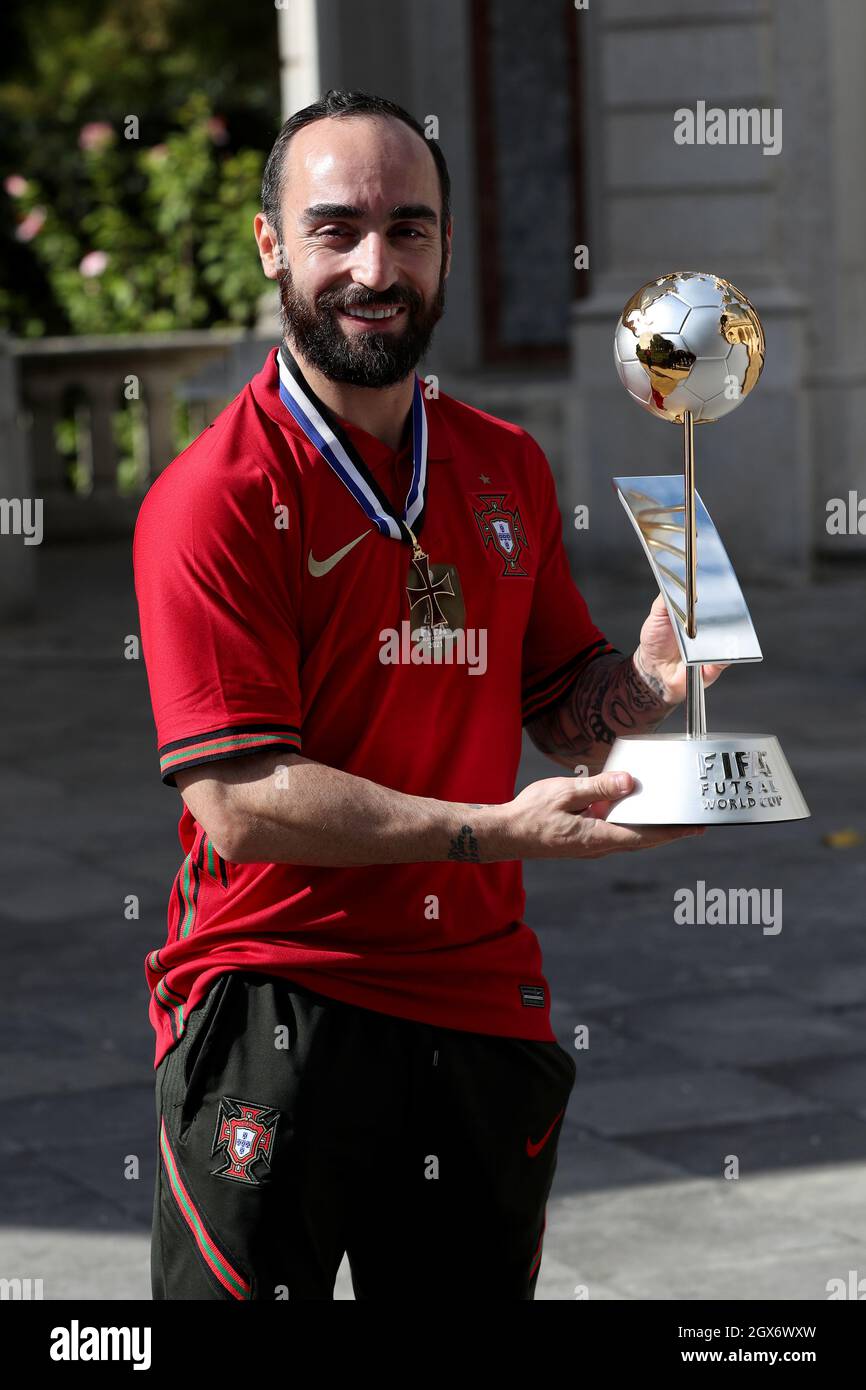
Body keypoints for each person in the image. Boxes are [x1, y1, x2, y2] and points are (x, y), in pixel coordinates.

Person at [133, 89, 725, 1301]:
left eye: (409, 229)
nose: (373, 265)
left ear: (447, 247)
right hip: (274, 996)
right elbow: (240, 799)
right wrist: (486, 829)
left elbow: (563, 701)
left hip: (477, 1004)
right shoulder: (215, 494)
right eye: (335, 228)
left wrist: (646, 686)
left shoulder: (502, 460)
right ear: (270, 247)